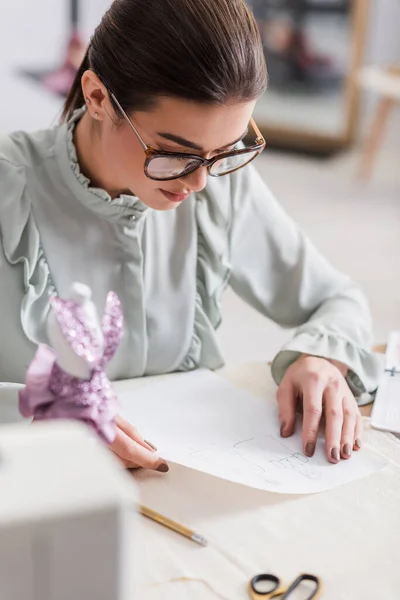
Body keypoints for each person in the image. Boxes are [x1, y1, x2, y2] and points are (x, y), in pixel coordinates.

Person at [0, 0, 381, 471]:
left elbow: (336, 298)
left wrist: (322, 356)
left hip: (185, 495)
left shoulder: (219, 180)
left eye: (225, 150)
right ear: (97, 98)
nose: (199, 183)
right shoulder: (8, 191)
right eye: (174, 152)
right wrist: (39, 418)